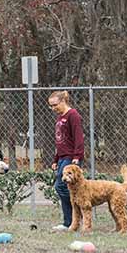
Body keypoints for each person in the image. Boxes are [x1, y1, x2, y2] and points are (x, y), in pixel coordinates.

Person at [48, 90, 85, 231]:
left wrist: (77, 156)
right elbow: (60, 141)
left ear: (63, 101)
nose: (53, 108)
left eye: (55, 105)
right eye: (50, 106)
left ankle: (71, 221)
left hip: (71, 157)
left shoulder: (73, 115)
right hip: (62, 157)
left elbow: (78, 138)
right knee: (64, 188)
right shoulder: (60, 117)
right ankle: (71, 221)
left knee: (61, 186)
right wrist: (55, 159)